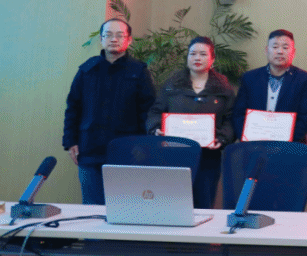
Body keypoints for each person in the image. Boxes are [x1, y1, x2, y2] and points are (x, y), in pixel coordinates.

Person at [63, 18, 156, 204]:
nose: (114, 39)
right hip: (90, 150)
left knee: (124, 208)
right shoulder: (87, 70)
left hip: (128, 152)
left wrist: (146, 147)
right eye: (108, 35)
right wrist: (70, 141)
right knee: (92, 208)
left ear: (129, 40)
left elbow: (148, 111)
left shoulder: (139, 71)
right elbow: (73, 107)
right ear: (101, 39)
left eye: (120, 35)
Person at [146, 36, 235, 209]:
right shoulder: (172, 84)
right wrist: (156, 129)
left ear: (212, 59)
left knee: (203, 205)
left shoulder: (224, 88)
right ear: (187, 58)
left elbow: (231, 119)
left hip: (208, 157)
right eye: (192, 53)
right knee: (174, 205)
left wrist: (223, 138)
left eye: (203, 54)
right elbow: (155, 112)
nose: (197, 58)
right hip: (175, 154)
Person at [231, 29, 307, 143]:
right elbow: (239, 114)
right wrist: (248, 137)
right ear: (267, 50)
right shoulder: (249, 78)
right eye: (275, 47)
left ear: (293, 52)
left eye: (285, 47)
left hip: (289, 146)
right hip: (253, 144)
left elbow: (306, 117)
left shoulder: (305, 79)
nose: (280, 51)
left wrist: (284, 139)